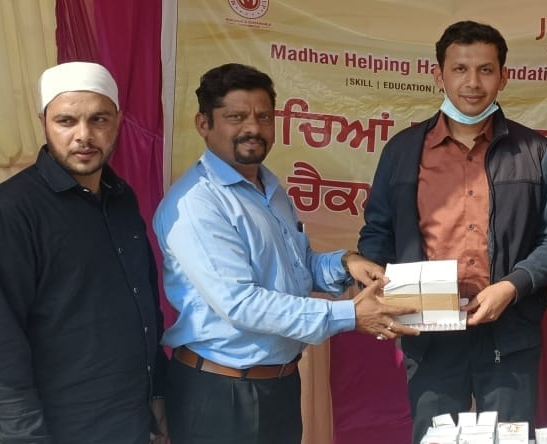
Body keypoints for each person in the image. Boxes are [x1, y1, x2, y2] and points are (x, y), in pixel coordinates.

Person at [154, 63, 418, 444]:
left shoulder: (270, 189)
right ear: (203, 124)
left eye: (263, 116)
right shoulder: (197, 203)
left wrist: (347, 263)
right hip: (221, 395)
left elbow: (298, 267)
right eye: (236, 117)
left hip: (277, 387)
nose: (253, 128)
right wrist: (349, 315)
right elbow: (242, 304)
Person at [358, 20, 547, 443]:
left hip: (509, 333)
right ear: (438, 75)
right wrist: (382, 291)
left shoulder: (534, 151)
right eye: (459, 69)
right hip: (429, 333)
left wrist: (510, 287)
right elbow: (377, 235)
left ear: (503, 77)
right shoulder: (403, 150)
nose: (472, 83)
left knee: (510, 439)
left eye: (485, 70)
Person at [0, 62, 168, 443]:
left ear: (118, 121)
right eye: (66, 121)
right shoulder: (7, 213)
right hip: (62, 431)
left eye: (98, 119)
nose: (84, 135)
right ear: (43, 123)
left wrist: (157, 395)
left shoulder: (121, 198)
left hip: (133, 422)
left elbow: (145, 307)